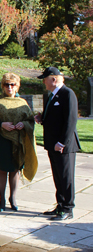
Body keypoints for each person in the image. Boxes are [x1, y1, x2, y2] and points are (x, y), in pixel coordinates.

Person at [0, 73, 38, 211]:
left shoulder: (22, 103)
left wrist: (23, 124)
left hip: (17, 141)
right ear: (2, 86)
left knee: (15, 169)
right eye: (6, 85)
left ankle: (13, 197)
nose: (9, 87)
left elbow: (30, 121)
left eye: (12, 85)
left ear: (17, 87)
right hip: (0, 141)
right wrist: (1, 124)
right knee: (2, 169)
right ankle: (2, 199)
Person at [35, 67, 81, 221]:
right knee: (58, 176)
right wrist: (43, 118)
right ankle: (60, 205)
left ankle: (68, 208)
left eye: (45, 79)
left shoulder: (67, 94)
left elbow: (71, 121)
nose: (44, 82)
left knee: (66, 177)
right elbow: (55, 117)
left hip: (63, 146)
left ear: (53, 79)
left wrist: (62, 142)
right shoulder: (51, 95)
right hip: (52, 144)